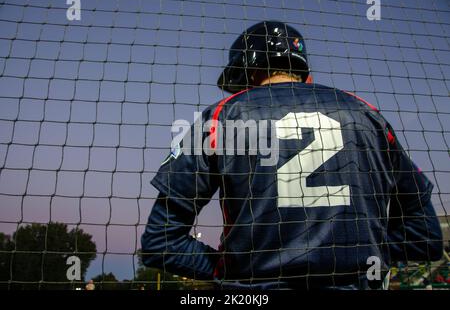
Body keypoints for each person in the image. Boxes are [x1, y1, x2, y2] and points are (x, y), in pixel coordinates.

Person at [141, 21, 443, 289]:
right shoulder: (367, 114)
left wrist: (234, 271)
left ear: (247, 72)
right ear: (305, 75)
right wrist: (363, 261)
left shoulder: (223, 115)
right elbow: (423, 236)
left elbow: (161, 243)